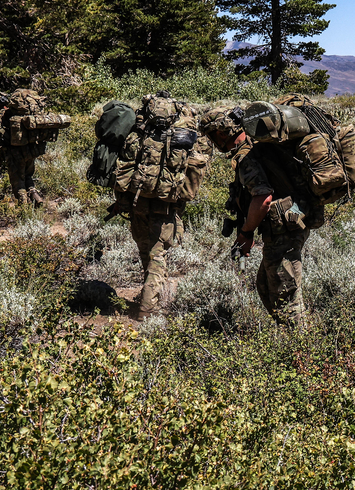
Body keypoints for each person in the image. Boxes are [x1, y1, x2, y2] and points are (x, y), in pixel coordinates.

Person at [199, 104, 323, 327]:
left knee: (286, 297)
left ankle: (302, 344)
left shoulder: (247, 156)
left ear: (221, 133)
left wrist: (246, 233)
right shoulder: (258, 144)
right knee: (265, 285)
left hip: (284, 230)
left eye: (212, 135)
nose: (212, 141)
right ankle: (288, 337)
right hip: (288, 222)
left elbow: (263, 198)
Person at [110, 92, 212, 321]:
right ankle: (147, 310)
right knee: (158, 255)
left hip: (138, 200)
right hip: (167, 206)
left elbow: (125, 167)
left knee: (144, 250)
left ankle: (147, 297)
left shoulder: (141, 130)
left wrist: (121, 201)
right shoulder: (186, 133)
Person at [0, 90, 49, 207]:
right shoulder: (20, 114)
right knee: (27, 176)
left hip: (15, 152)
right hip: (31, 149)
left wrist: (0, 152)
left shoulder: (0, 115)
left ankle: (24, 209)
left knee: (18, 182)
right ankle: (36, 197)